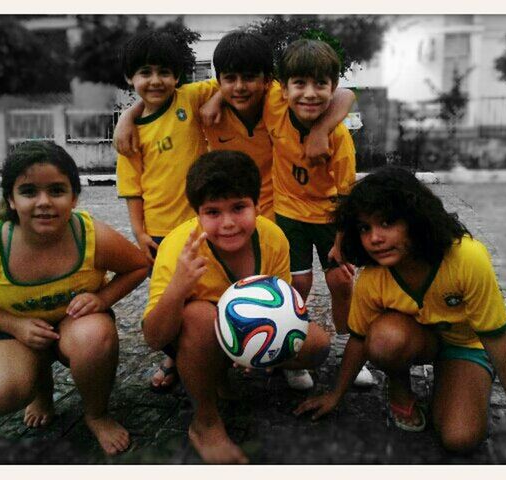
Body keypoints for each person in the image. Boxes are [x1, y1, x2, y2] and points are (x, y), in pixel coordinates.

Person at [114, 29, 355, 391]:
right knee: (180, 293)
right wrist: (127, 116)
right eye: (230, 79)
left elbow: (343, 93)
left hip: (269, 210)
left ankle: (269, 345)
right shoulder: (203, 100)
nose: (240, 86)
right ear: (217, 79)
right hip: (200, 216)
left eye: (250, 78)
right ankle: (182, 355)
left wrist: (321, 130)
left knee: (269, 286)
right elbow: (157, 97)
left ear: (268, 80)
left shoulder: (279, 98)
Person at [294, 166, 506, 452]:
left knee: (460, 439)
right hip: (413, 339)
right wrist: (335, 394)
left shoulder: (467, 258)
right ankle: (399, 386)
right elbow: (358, 339)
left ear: (416, 219)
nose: (374, 238)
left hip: (466, 345)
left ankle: (458, 379)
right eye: (365, 228)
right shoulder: (372, 276)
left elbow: (497, 337)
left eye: (387, 223)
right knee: (383, 339)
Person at [0, 141, 149, 456]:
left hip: (76, 324)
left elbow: (139, 266)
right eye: (29, 191)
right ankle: (40, 389)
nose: (44, 202)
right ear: (11, 200)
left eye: (57, 190)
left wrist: (102, 299)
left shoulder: (90, 234)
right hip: (18, 329)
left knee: (95, 336)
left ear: (73, 197)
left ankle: (96, 414)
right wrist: (14, 326)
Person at [142, 150, 331, 463]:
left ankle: (234, 371)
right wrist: (178, 287)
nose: (227, 223)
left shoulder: (273, 238)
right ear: (196, 214)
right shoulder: (179, 247)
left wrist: (259, 350)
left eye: (239, 207)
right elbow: (154, 338)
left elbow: (284, 307)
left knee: (318, 345)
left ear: (257, 205)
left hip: (247, 332)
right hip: (195, 337)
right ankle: (204, 422)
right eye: (213, 212)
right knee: (200, 316)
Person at [262, 38, 373, 388]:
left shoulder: (339, 138)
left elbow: (345, 197)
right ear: (283, 89)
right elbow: (224, 85)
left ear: (332, 87)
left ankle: (346, 345)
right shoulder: (274, 108)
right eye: (299, 84)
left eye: (320, 84)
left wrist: (341, 244)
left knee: (341, 281)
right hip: (289, 214)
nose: (309, 93)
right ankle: (292, 352)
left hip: (329, 218)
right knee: (297, 284)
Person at [116, 31, 217, 392]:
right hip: (159, 232)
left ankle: (218, 354)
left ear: (178, 75)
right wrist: (138, 232)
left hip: (202, 225)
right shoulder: (129, 136)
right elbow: (132, 188)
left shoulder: (191, 97)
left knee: (204, 292)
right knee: (169, 297)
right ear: (131, 77)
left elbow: (231, 80)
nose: (155, 80)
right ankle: (174, 356)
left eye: (164, 71)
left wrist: (215, 101)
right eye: (145, 72)